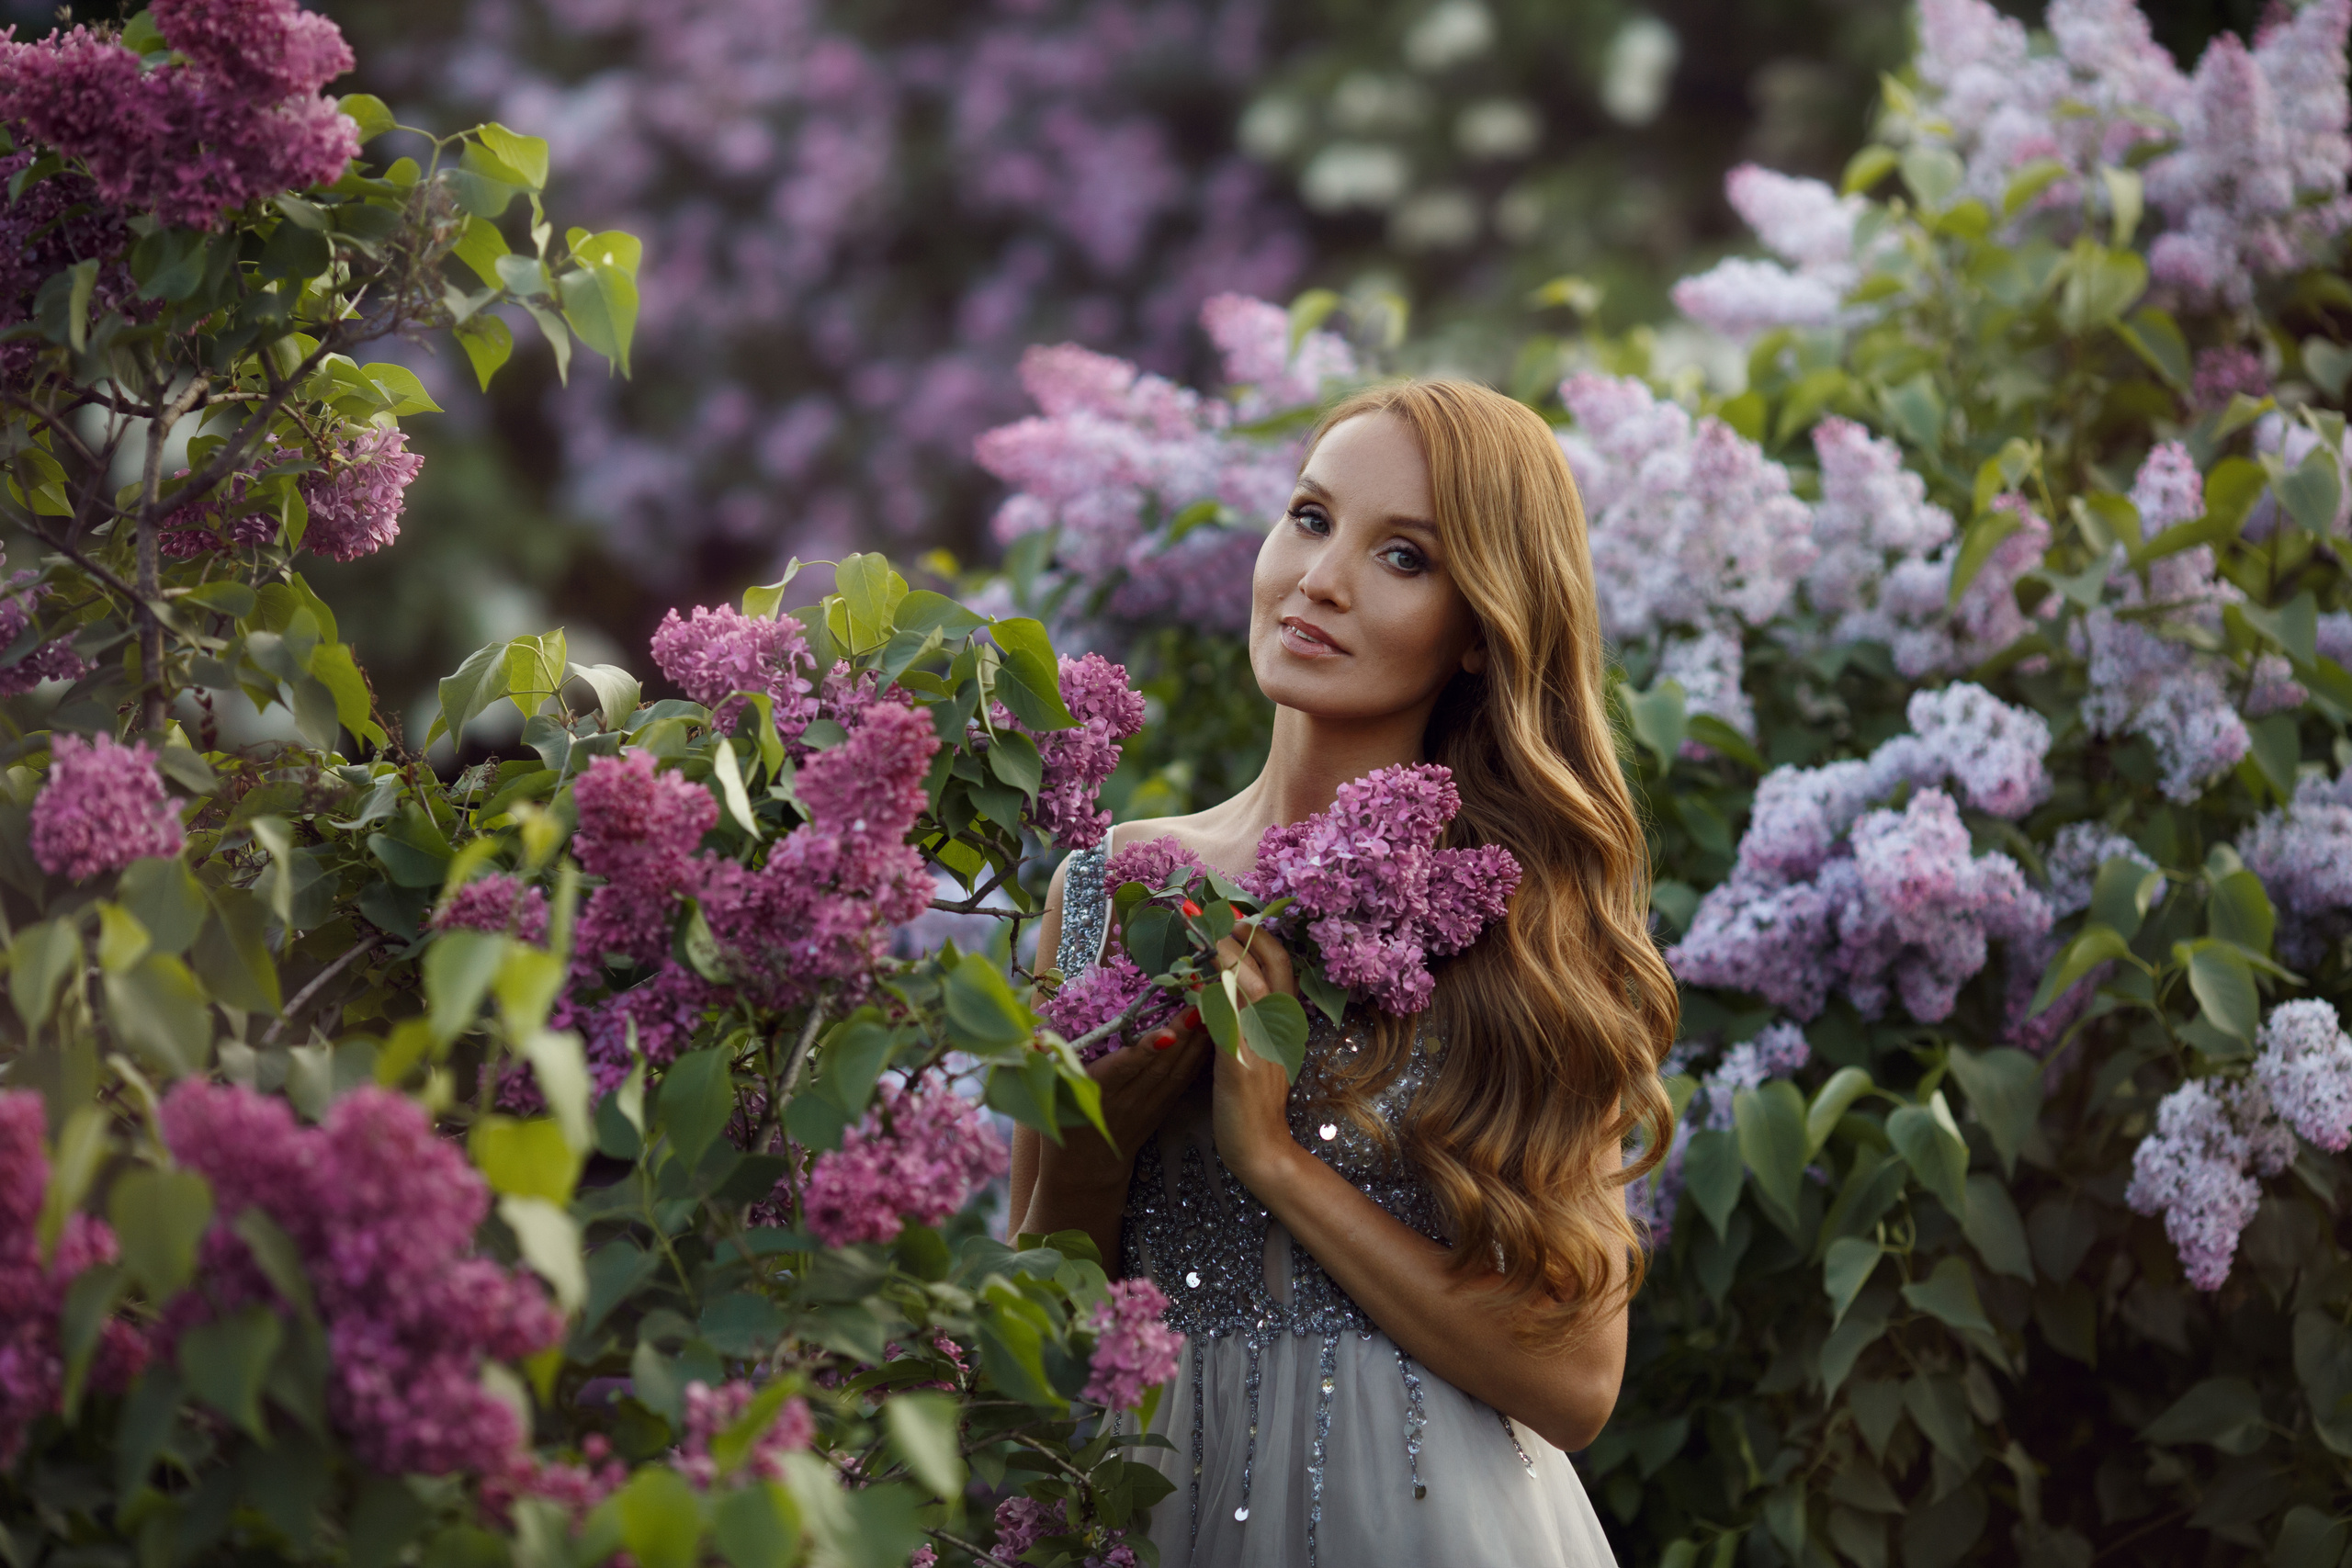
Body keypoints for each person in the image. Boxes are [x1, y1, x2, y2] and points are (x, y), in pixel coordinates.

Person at [1007, 378, 1677, 1567]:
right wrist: (1098, 1142)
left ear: (1479, 630)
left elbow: (1575, 1383)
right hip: (1151, 1504)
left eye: (1403, 556)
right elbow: (1036, 1321)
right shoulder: (1108, 895)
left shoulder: (1523, 930)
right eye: (1310, 518)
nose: (1321, 579)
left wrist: (1273, 1164)